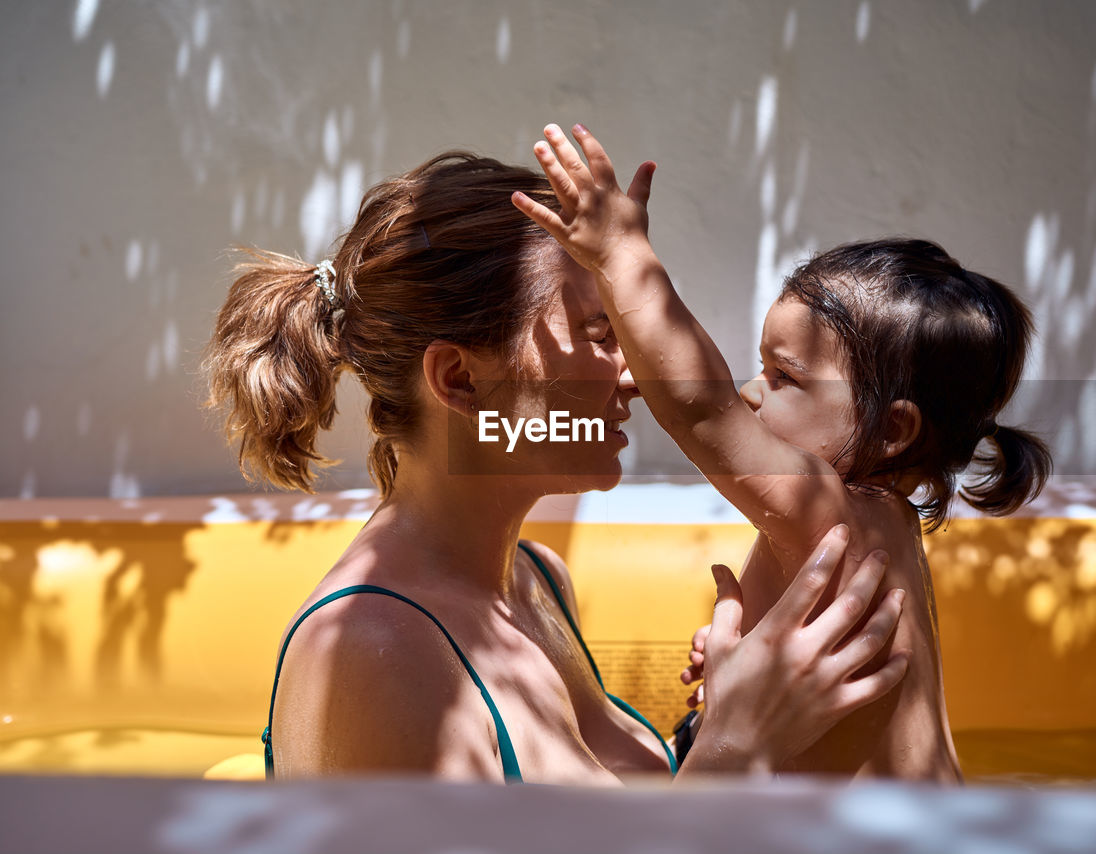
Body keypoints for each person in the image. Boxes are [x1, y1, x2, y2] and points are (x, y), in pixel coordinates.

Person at [203, 151, 910, 782]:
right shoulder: (370, 651)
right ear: (458, 379)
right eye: (601, 335)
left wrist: (727, 718)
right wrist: (735, 746)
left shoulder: (538, 579)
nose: (634, 375)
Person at [514, 124, 1052, 781]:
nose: (751, 392)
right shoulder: (875, 527)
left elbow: (702, 410)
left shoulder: (833, 515)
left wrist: (622, 256)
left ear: (893, 429)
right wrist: (742, 666)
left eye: (784, 377)